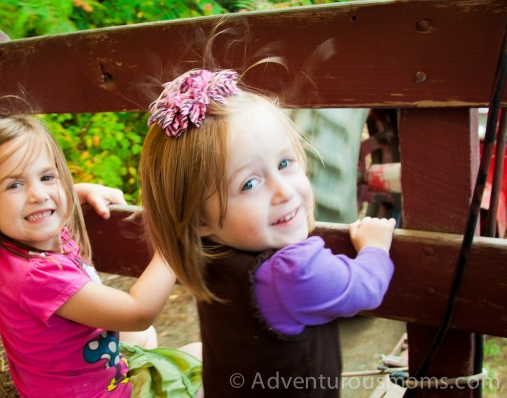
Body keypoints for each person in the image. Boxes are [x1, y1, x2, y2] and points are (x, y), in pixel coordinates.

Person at [139, 69, 396, 397]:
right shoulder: (292, 272)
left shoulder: (206, 250)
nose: (283, 192)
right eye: (249, 184)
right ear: (198, 218)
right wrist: (375, 247)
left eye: (285, 164)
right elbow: (365, 288)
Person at [0, 116, 201, 397]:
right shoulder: (37, 275)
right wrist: (174, 242)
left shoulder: (21, 242)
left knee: (144, 339)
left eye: (47, 177)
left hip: (66, 378)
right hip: (91, 393)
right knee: (200, 355)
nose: (39, 195)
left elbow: (40, 199)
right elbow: (138, 313)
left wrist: (81, 192)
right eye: (14, 185)